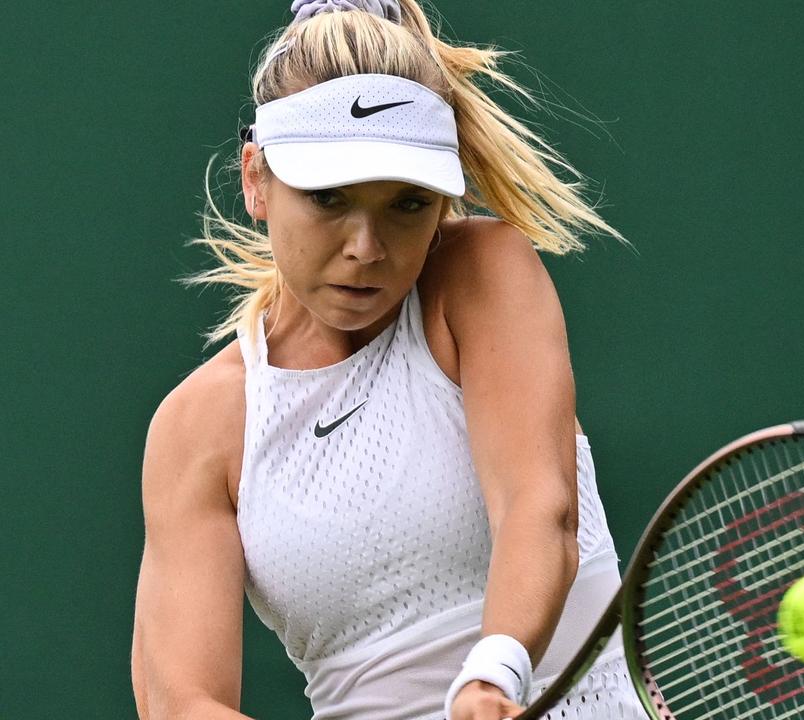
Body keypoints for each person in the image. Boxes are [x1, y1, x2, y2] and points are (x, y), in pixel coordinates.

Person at [130, 2, 646, 718]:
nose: (366, 247)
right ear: (257, 179)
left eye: (406, 204)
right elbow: (181, 701)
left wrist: (492, 675)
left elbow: (540, 507)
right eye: (329, 198)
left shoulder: (480, 274)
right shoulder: (201, 425)